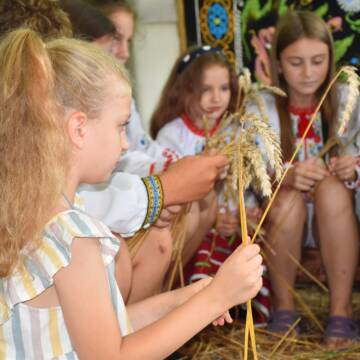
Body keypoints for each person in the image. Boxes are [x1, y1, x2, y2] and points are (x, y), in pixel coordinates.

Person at [0, 28, 263, 359]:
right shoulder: (74, 239)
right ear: (79, 129)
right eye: (120, 126)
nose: (125, 143)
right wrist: (218, 298)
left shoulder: (33, 214)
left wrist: (187, 300)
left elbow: (106, 328)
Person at [249, 10, 360, 347]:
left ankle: (340, 314)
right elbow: (252, 174)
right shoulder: (261, 106)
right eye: (296, 62)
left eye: (318, 61)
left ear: (331, 57)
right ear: (278, 63)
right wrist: (286, 174)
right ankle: (284, 311)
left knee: (331, 189)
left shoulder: (348, 100)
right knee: (287, 197)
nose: (309, 73)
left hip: (339, 221)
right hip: (285, 224)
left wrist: (353, 169)